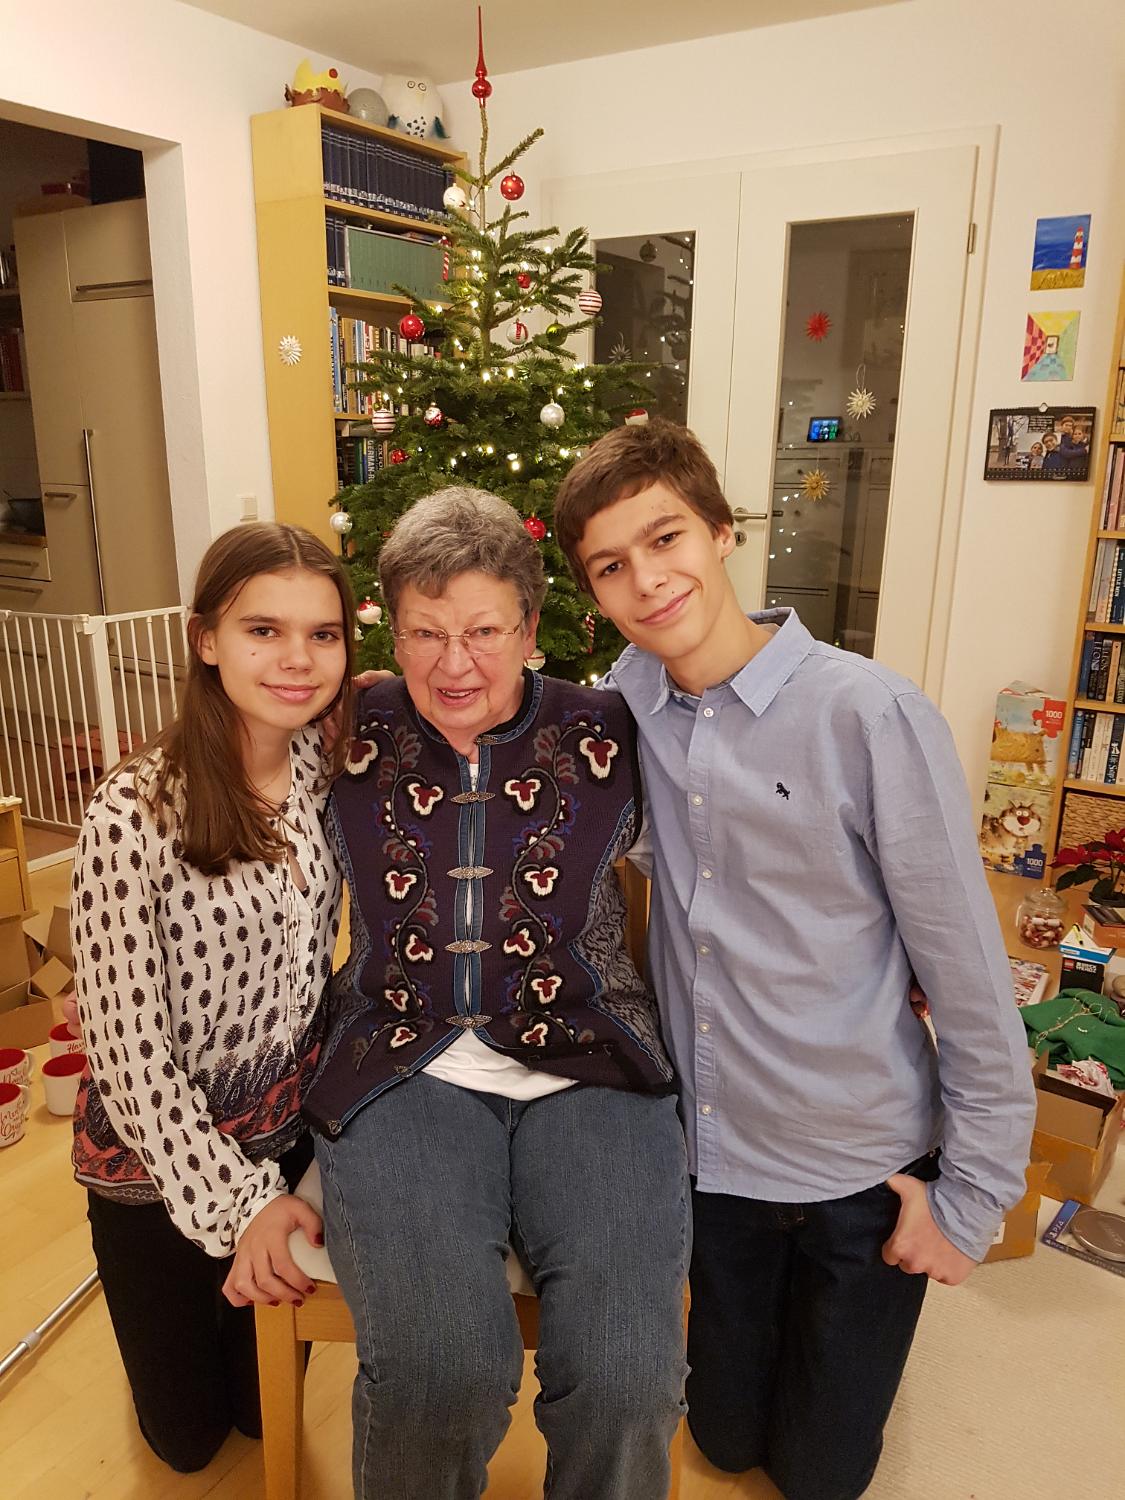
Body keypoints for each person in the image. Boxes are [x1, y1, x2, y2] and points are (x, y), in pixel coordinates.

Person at [552, 419, 1037, 1500]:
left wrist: (971, 1198)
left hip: (860, 1166)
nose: (648, 579)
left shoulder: (869, 715)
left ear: (722, 532)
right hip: (717, 1160)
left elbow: (967, 974)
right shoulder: (626, 703)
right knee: (722, 1442)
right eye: (611, 566)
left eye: (665, 539)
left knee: (821, 1476)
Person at [302, 487, 689, 1500]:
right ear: (391, 630)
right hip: (399, 1064)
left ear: (529, 626)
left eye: (483, 631)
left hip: (594, 1063)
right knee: (442, 1372)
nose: (454, 664)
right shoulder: (343, 726)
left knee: (626, 1380)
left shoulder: (614, 729)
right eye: (424, 633)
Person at [69, 522, 354, 1473]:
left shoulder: (321, 767)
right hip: (158, 1168)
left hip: (289, 1140)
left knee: (267, 1419)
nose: (296, 659)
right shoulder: (133, 811)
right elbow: (128, 1057)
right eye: (262, 630)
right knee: (186, 1444)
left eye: (322, 634)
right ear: (206, 640)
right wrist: (243, 1209)